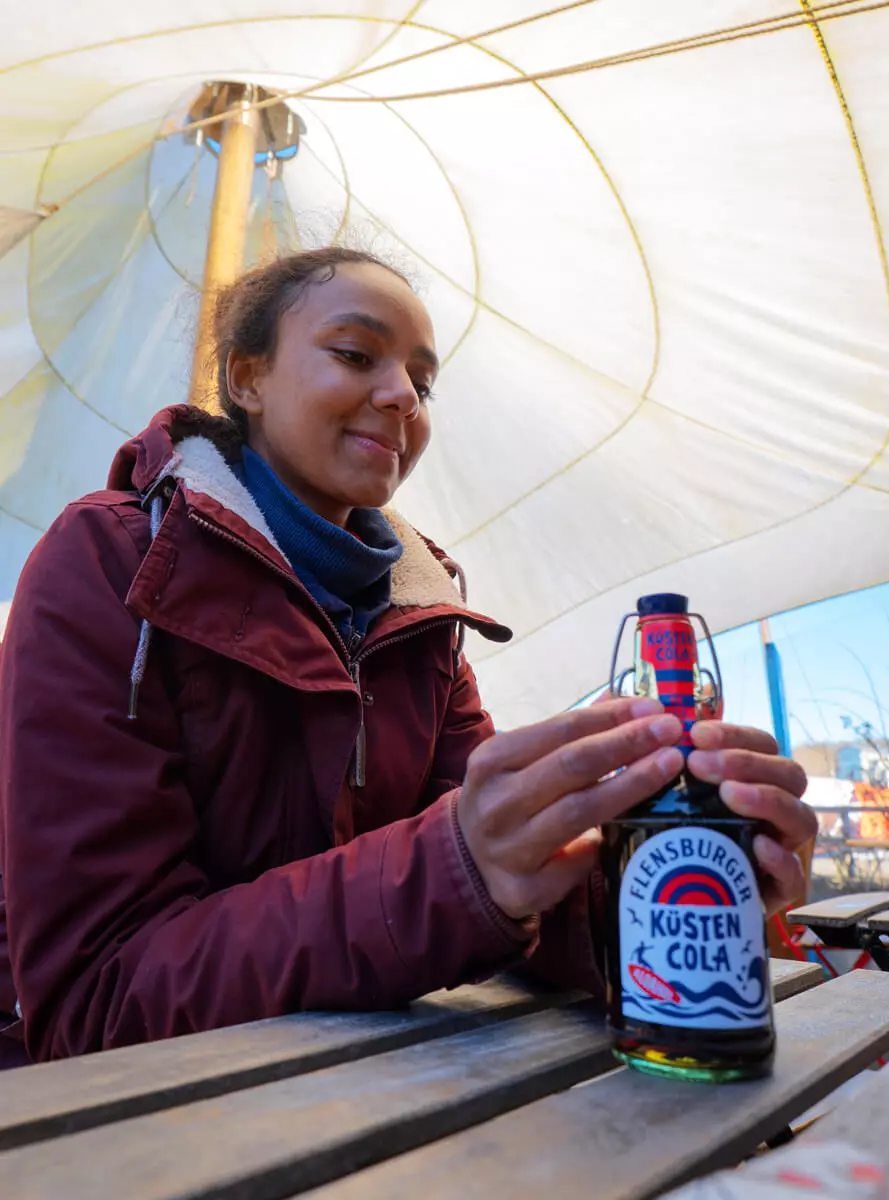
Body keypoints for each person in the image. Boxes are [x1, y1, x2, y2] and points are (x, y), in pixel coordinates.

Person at [0, 248, 814, 1066]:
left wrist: (666, 887)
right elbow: (94, 1000)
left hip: (352, 1102)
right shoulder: (113, 564)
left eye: (422, 385)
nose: (401, 398)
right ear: (246, 378)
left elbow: (509, 875)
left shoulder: (419, 619)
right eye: (356, 355)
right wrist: (455, 871)